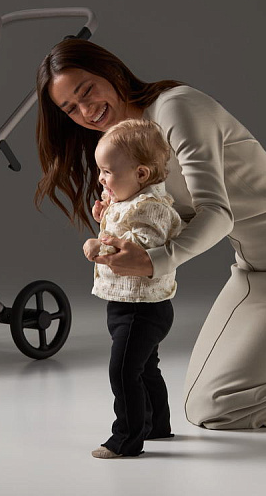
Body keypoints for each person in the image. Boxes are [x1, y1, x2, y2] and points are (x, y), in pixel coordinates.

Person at [35, 39, 266, 430]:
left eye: (87, 90)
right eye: (70, 108)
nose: (86, 111)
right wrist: (120, 216)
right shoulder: (130, 144)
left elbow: (217, 214)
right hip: (254, 271)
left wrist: (154, 262)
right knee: (203, 399)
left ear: (110, 71)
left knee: (217, 407)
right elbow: (174, 216)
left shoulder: (176, 109)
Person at [82, 119, 182, 458]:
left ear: (140, 174)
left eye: (107, 172)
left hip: (142, 308)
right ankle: (157, 424)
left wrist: (99, 244)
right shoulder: (131, 199)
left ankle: (126, 439)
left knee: (124, 371)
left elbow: (140, 246)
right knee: (145, 367)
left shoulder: (151, 207)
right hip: (129, 303)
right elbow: (124, 221)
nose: (101, 179)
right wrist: (105, 214)